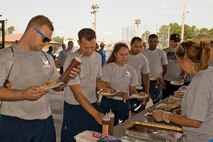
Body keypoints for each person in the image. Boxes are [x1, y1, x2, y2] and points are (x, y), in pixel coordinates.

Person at [0, 15, 79, 142]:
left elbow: (58, 86)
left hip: (45, 122)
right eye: (45, 39)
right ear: (32, 31)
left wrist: (68, 77)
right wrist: (23, 94)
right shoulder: (5, 56)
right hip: (14, 123)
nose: (47, 43)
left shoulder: (46, 58)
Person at [153, 40, 213, 142]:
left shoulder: (201, 82)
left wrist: (166, 115)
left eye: (179, 62)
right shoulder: (208, 72)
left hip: (201, 138)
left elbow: (195, 121)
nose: (181, 66)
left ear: (185, 60)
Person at [61, 28, 109, 142]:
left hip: (92, 102)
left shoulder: (97, 57)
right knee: (75, 138)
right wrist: (96, 114)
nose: (90, 51)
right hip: (74, 106)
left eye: (92, 47)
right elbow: (77, 93)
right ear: (79, 43)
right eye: (86, 47)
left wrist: (108, 90)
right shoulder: (72, 60)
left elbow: (97, 79)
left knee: (94, 137)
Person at [100, 42, 138, 125]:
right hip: (108, 102)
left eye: (126, 54)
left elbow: (132, 89)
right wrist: (121, 94)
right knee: (107, 129)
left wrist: (138, 95)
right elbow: (107, 88)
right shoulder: (108, 68)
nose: (124, 57)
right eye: (121, 54)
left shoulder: (132, 70)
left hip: (124, 104)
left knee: (120, 129)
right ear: (115, 54)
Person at [141, 34, 168, 104]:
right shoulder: (143, 53)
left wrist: (162, 79)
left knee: (156, 102)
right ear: (148, 42)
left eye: (154, 41)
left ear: (157, 42)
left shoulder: (162, 53)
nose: (152, 43)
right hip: (145, 81)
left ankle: (155, 114)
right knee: (143, 102)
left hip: (157, 81)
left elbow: (165, 69)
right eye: (151, 41)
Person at [127, 37, 150, 113]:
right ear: (131, 45)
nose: (139, 49)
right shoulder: (124, 56)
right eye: (136, 47)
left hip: (138, 88)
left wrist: (146, 91)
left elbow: (145, 75)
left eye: (141, 47)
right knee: (124, 113)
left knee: (136, 112)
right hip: (124, 89)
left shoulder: (143, 58)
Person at [162, 33, 186, 99]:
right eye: (175, 41)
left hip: (178, 81)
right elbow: (160, 66)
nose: (177, 43)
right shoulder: (164, 52)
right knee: (165, 100)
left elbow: (185, 66)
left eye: (179, 41)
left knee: (177, 100)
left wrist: (183, 77)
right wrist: (161, 78)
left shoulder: (182, 52)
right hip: (166, 81)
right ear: (170, 41)